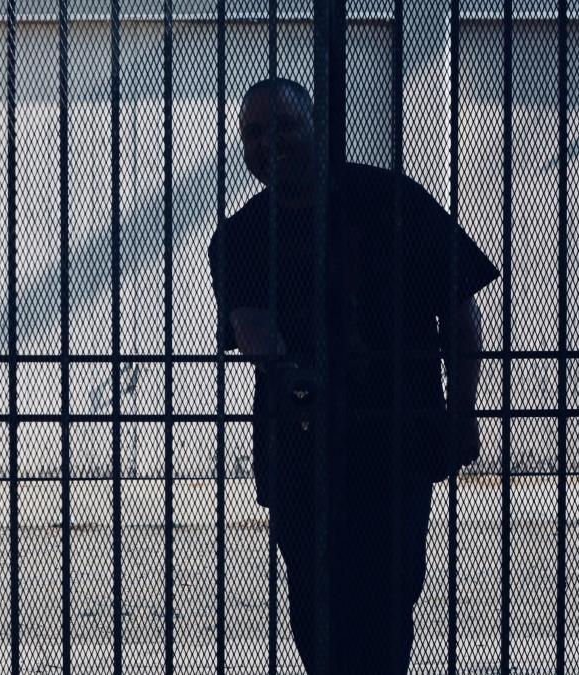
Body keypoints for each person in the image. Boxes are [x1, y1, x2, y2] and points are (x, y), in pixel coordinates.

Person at [206, 78, 500, 675]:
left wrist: (464, 417)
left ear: (317, 126)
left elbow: (461, 313)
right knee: (316, 610)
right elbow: (248, 322)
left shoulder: (391, 201)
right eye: (254, 133)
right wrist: (284, 366)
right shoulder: (241, 235)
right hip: (301, 445)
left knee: (386, 603)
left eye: (284, 125)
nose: (269, 143)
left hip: (394, 435)